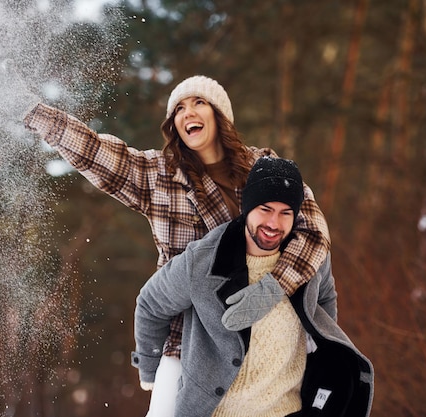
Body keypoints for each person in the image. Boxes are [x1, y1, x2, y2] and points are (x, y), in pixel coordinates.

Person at [0, 64, 331, 416]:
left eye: (198, 103)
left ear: (221, 115)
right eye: (179, 108)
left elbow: (314, 234)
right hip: (188, 341)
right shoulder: (159, 176)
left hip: (271, 330)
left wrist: (272, 290)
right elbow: (92, 150)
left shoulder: (263, 167)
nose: (187, 112)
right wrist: (33, 111)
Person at [132, 157, 373, 417]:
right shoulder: (203, 260)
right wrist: (149, 368)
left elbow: (325, 297)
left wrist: (321, 350)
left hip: (286, 411)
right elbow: (150, 304)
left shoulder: (310, 259)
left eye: (285, 213)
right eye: (265, 209)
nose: (273, 223)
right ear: (247, 207)